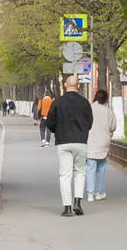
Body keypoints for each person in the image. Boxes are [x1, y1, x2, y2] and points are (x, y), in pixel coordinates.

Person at [46, 75, 93, 216]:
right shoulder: (85, 103)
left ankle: (67, 208)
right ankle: (77, 202)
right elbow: (89, 122)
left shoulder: (57, 102)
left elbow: (50, 123)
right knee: (80, 172)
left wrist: (58, 132)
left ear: (66, 85)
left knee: (65, 175)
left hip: (63, 142)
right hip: (80, 141)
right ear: (78, 86)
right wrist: (82, 132)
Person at [84, 81, 119, 201]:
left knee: (90, 167)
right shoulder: (108, 111)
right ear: (106, 99)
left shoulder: (88, 108)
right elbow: (113, 127)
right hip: (103, 141)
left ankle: (90, 194)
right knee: (101, 167)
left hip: (90, 140)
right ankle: (100, 192)